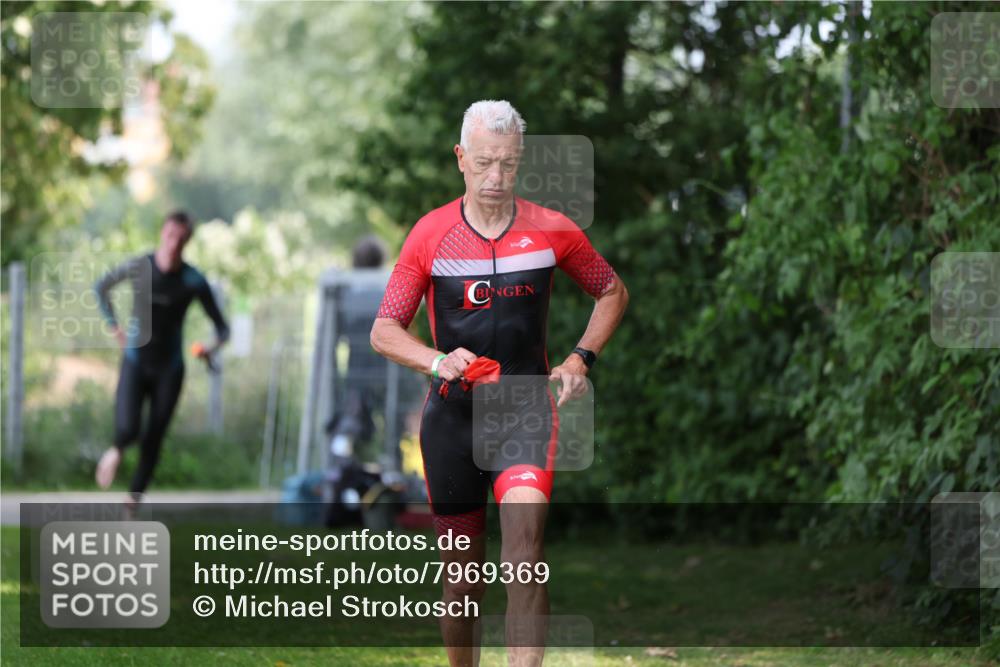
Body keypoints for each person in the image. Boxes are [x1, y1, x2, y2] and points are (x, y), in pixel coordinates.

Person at [370, 100, 629, 667]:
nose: (495, 178)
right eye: (485, 162)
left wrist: (581, 358)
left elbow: (612, 290)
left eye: (508, 165)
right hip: (452, 420)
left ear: (521, 162)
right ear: (461, 158)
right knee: (463, 581)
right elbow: (385, 331)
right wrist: (437, 362)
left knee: (524, 555)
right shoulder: (430, 235)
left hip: (525, 412)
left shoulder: (550, 229)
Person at [93, 210, 230, 506]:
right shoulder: (140, 266)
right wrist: (114, 327)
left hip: (170, 368)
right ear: (162, 233)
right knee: (128, 428)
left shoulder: (194, 280)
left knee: (154, 436)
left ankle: (132, 502)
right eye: (170, 236)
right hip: (136, 361)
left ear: (188, 241)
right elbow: (101, 287)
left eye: (181, 239)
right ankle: (116, 449)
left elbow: (223, 328)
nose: (174, 243)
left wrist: (210, 348)